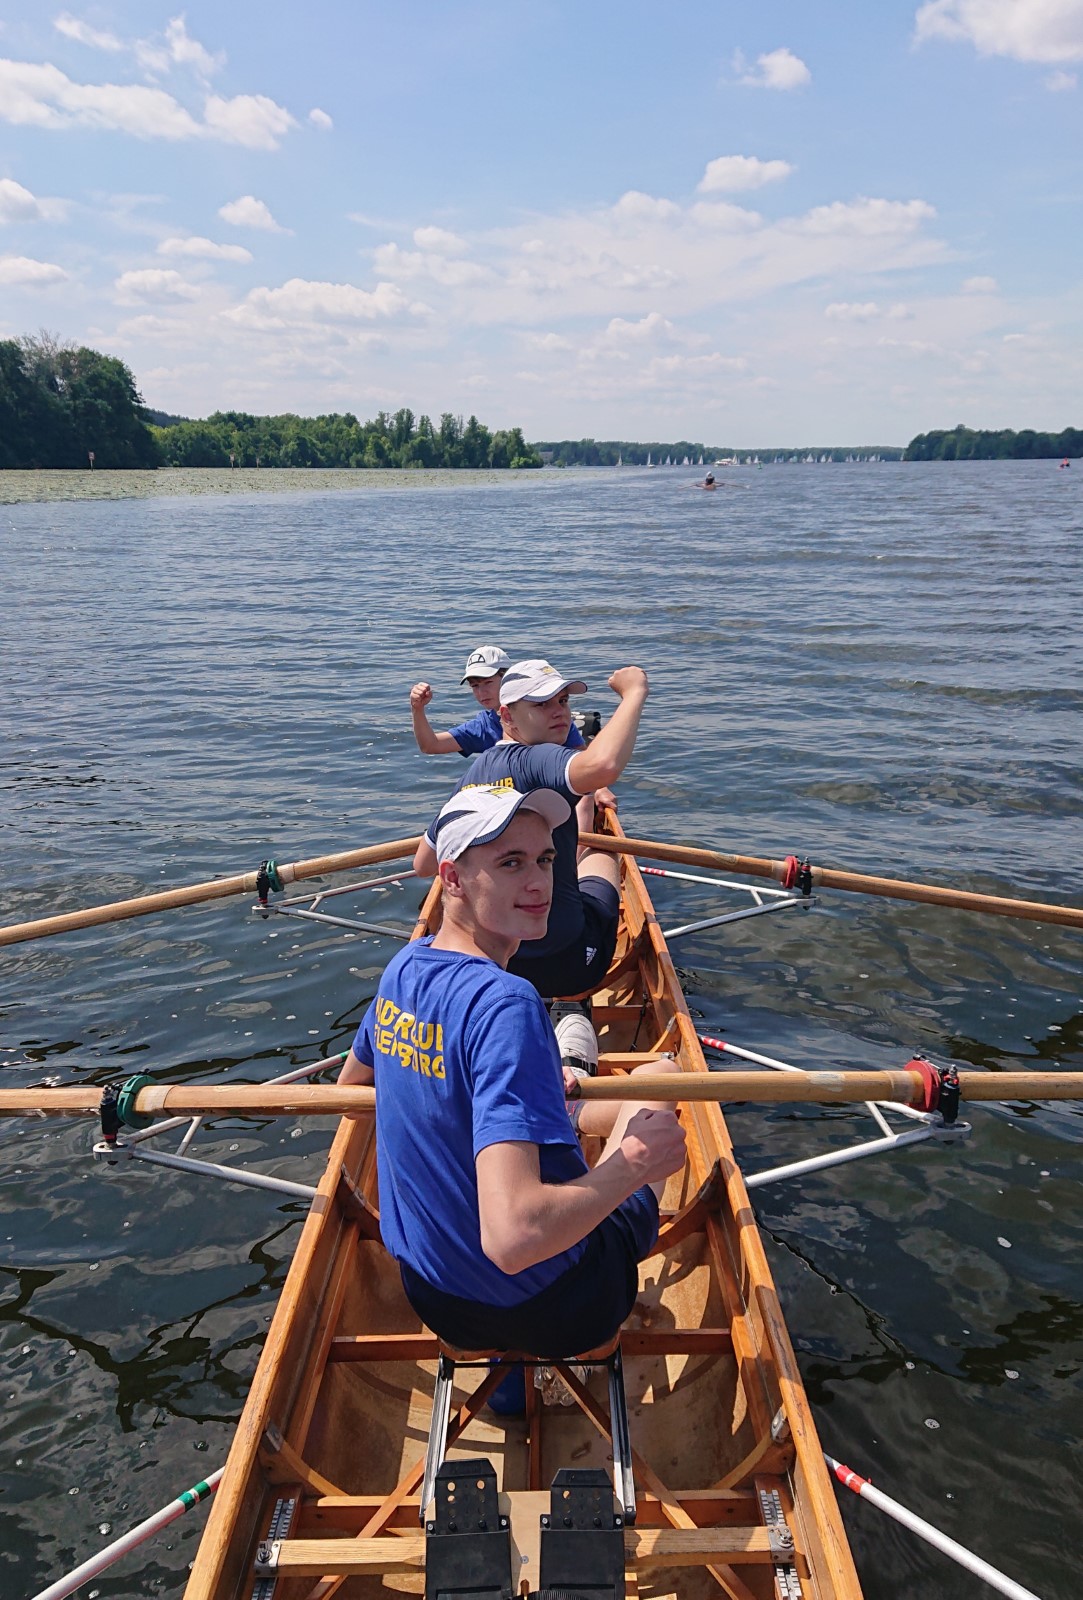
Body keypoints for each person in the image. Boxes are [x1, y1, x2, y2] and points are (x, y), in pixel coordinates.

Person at [339, 785, 685, 1357]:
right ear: (451, 878)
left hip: (436, 1299)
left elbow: (353, 1089)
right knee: (665, 1077)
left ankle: (561, 1109)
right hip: (565, 1307)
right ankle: (574, 1118)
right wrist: (633, 1166)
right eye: (510, 863)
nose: (539, 883)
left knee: (577, 1102)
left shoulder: (403, 969)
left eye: (545, 859)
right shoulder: (507, 1004)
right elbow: (513, 1238)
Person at [413, 659, 649, 999]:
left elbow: (423, 865)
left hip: (493, 966)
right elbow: (603, 765)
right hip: (570, 967)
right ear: (506, 717)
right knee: (603, 853)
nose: (560, 713)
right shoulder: (538, 758)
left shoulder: (468, 780)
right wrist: (634, 692)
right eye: (541, 704)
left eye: (563, 701)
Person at [410, 644, 585, 758]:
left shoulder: (549, 715)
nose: (482, 692)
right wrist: (417, 709)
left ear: (507, 678)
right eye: (475, 686)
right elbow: (430, 746)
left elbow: (580, 758)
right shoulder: (483, 726)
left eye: (488, 683)